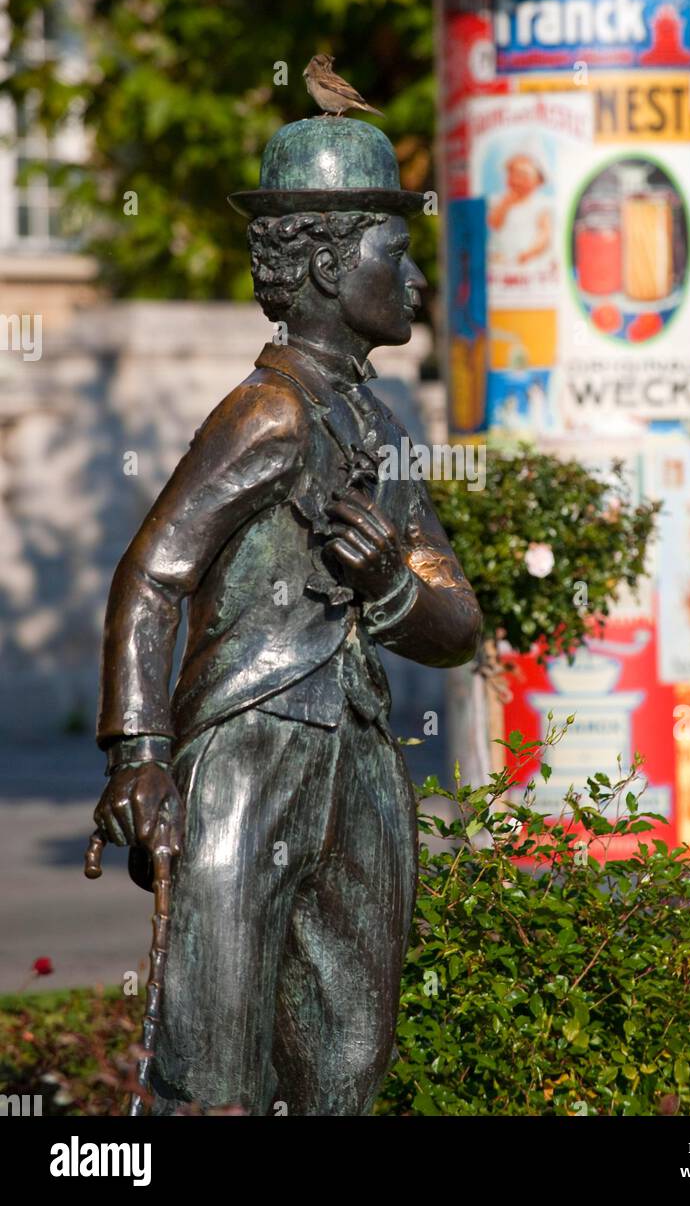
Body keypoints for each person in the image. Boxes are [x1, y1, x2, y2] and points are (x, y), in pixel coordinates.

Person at [89, 117, 482, 1116]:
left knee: (350, 1060)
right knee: (214, 1061)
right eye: (394, 253)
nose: (416, 281)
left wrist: (393, 580)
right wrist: (139, 748)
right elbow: (153, 574)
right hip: (247, 755)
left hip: (355, 762)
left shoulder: (381, 428)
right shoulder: (266, 413)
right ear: (321, 264)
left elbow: (458, 621)